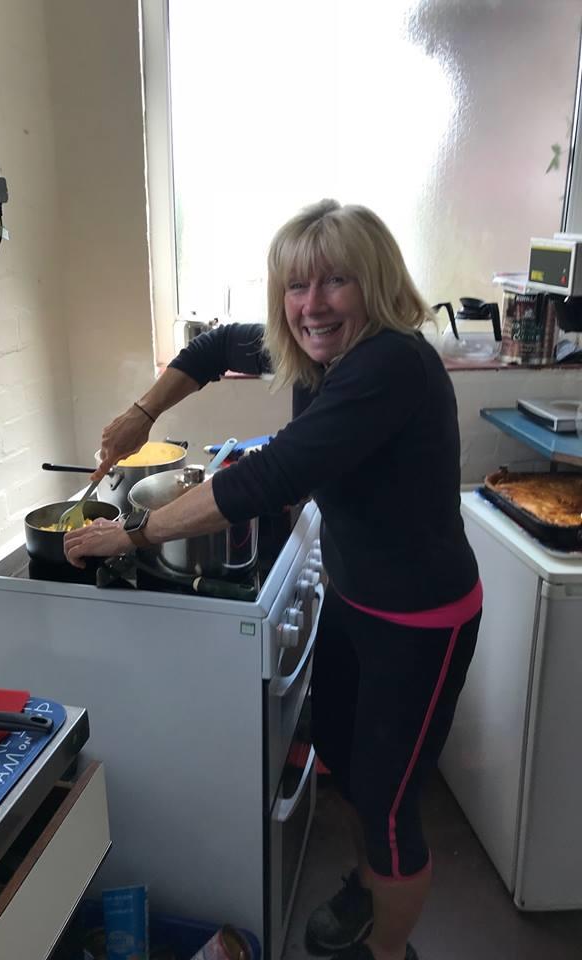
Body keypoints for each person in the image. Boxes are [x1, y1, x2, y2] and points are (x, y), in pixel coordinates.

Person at [64, 200, 482, 960]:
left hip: (421, 622)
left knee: (390, 807)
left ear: (377, 284)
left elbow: (275, 473)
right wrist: (141, 412)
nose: (310, 306)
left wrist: (135, 532)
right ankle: (365, 887)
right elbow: (220, 341)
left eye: (335, 283)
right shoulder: (314, 345)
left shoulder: (389, 364)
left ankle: (389, 952)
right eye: (296, 286)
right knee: (350, 768)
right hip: (358, 599)